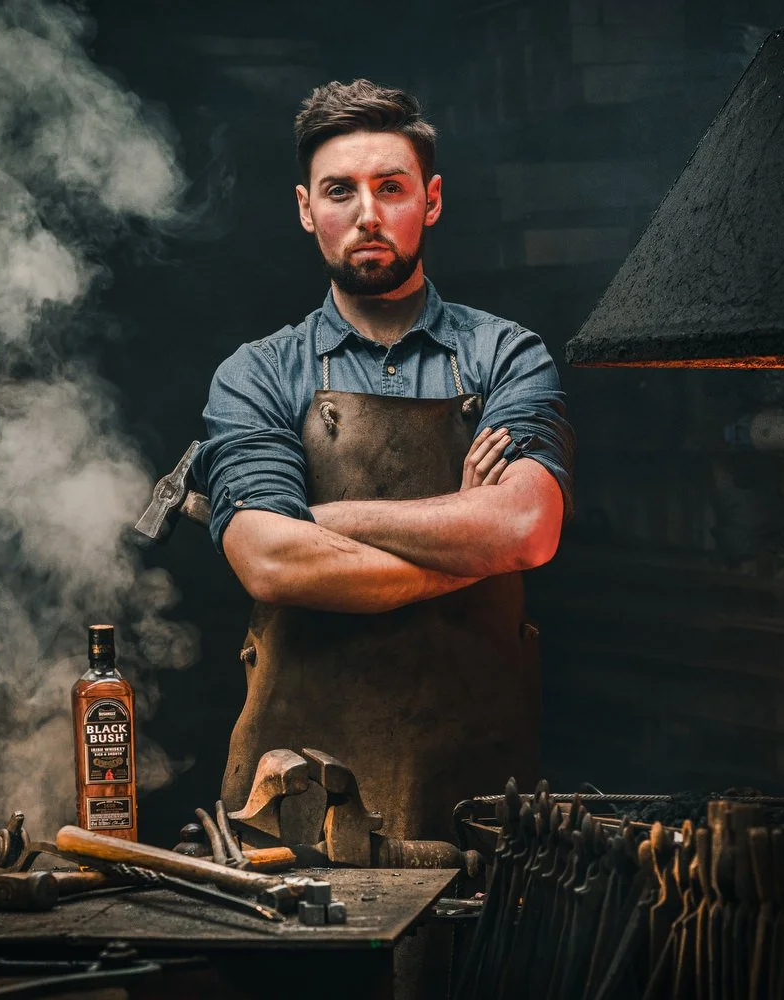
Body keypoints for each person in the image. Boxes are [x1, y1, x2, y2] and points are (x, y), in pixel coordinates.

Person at [194, 79, 574, 844]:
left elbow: (528, 527)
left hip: (481, 793)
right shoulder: (258, 374)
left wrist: (326, 519)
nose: (367, 213)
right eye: (340, 191)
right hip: (290, 798)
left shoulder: (507, 355)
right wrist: (471, 547)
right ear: (307, 209)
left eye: (390, 187)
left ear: (429, 200)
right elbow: (273, 562)